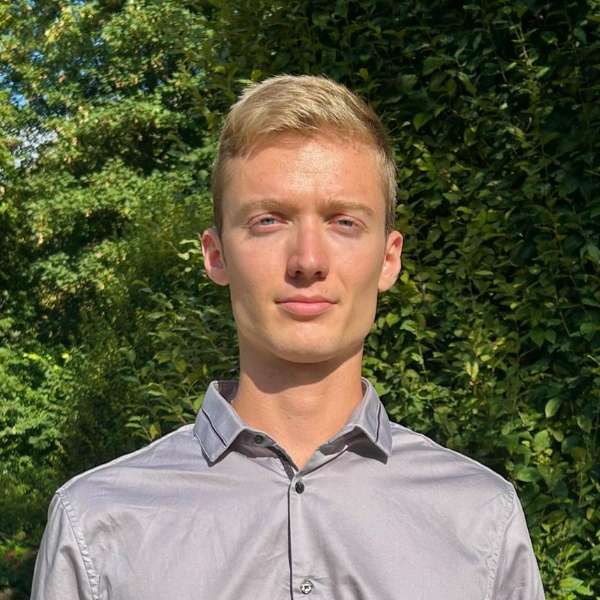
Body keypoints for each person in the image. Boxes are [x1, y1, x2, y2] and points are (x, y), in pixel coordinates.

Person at [31, 75, 545, 599]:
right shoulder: (97, 526)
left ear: (389, 259)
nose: (308, 261)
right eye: (269, 221)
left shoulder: (481, 521)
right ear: (216, 255)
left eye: (344, 222)